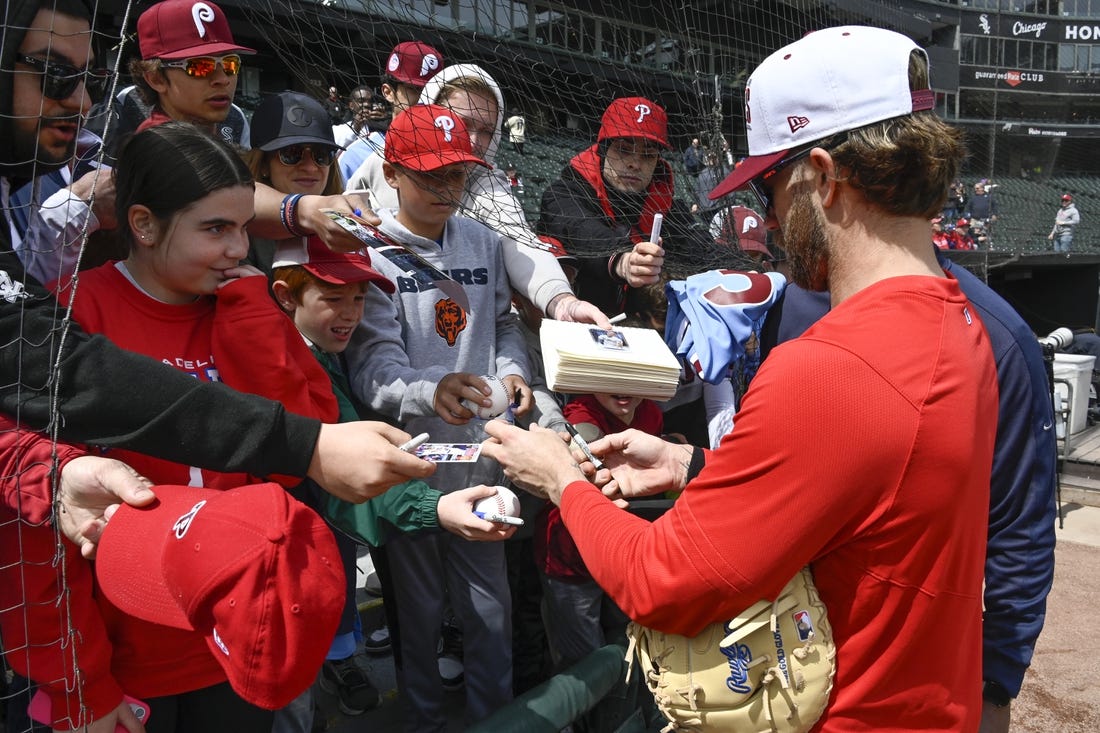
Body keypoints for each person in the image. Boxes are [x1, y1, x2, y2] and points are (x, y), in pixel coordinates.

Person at [483, 25, 998, 732]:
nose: (774, 218)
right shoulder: (968, 323)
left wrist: (559, 478)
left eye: (770, 185)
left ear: (823, 176)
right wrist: (695, 462)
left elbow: (657, 583)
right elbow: (864, 498)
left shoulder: (829, 366)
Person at [0, 0, 431, 554]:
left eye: (228, 65)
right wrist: (300, 210)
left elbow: (311, 421)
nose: (235, 246)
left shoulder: (241, 293)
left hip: (250, 564)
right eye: (201, 67)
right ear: (143, 222)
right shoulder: (79, 304)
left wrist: (255, 306)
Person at [6, 120, 343, 733]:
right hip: (121, 668)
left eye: (244, 227)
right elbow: (34, 530)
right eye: (215, 229)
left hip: (235, 642)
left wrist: (251, 318)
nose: (239, 249)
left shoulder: (247, 306)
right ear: (143, 224)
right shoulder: (66, 320)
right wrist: (80, 684)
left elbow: (306, 449)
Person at [344, 103, 531, 731]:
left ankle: (495, 721)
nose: (447, 189)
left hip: (481, 462)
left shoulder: (482, 238)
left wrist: (514, 373)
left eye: (457, 175)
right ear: (392, 173)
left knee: (490, 612)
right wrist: (431, 390)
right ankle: (423, 722)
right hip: (412, 469)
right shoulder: (371, 253)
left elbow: (504, 321)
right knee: (418, 620)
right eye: (430, 176)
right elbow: (372, 372)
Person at [354, 61, 608, 327]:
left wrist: (561, 299)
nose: (474, 142)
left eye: (486, 131)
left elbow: (519, 242)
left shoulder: (487, 182)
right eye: (463, 123)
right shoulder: (378, 162)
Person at [538, 97, 710, 317]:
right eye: (623, 150)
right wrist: (623, 260)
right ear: (603, 151)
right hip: (568, 329)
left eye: (647, 154)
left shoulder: (670, 208)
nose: (635, 163)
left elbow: (704, 248)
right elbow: (581, 229)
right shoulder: (564, 192)